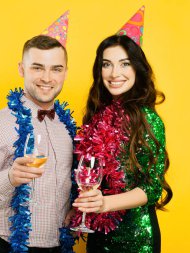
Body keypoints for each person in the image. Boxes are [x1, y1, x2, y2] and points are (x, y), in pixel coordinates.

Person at [0, 11, 76, 253]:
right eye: (37, 68)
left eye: (56, 69)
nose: (47, 78)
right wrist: (10, 178)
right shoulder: (0, 123)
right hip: (13, 248)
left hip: (60, 247)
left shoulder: (68, 128)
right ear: (21, 69)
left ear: (65, 72)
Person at [71, 6, 172, 253]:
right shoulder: (96, 116)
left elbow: (152, 189)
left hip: (137, 239)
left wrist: (104, 203)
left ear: (137, 69)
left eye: (124, 64)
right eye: (107, 64)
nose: (115, 73)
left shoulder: (147, 120)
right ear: (99, 70)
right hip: (99, 234)